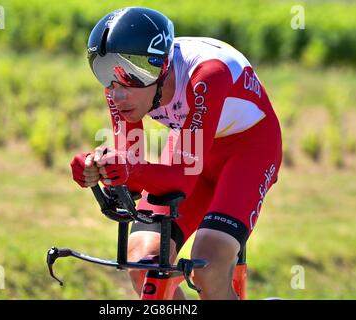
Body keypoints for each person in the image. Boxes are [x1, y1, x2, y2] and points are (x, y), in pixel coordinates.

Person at [70, 7, 282, 300]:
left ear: (162, 67)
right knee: (143, 265)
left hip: (248, 151)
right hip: (193, 148)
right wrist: (98, 169)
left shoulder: (208, 75)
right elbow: (129, 171)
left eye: (130, 75)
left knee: (209, 265)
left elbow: (180, 179)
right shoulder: (122, 89)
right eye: (104, 72)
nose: (116, 92)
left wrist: (129, 169)